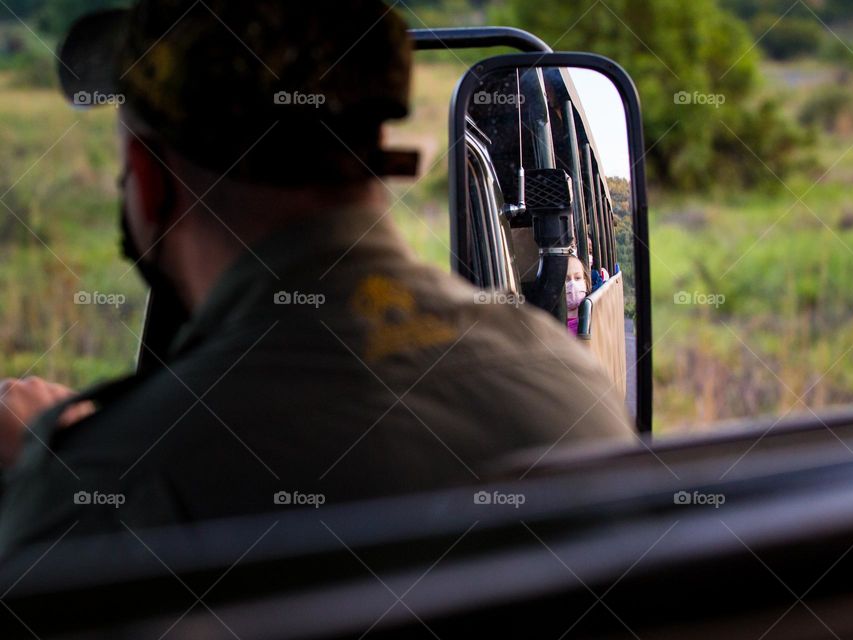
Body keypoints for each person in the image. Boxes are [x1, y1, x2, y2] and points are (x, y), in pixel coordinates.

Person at [0, 0, 634, 557]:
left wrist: (45, 464)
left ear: (145, 180)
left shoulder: (113, 490)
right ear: (379, 151)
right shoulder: (569, 384)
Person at [566, 256, 590, 337]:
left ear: (585, 282)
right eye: (566, 279)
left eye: (577, 278)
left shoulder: (592, 319)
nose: (572, 284)